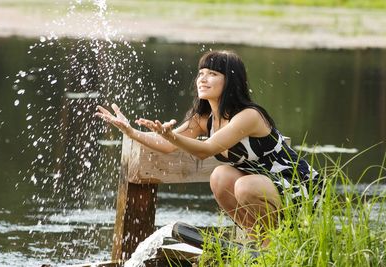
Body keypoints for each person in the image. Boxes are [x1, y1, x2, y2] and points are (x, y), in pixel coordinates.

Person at [96, 50, 321, 246]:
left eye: (212, 74)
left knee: (243, 185)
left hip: (299, 188)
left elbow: (206, 149)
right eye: (201, 73)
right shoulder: (204, 118)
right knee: (220, 176)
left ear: (231, 81)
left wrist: (171, 136)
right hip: (266, 187)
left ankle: (273, 243)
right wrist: (131, 132)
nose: (203, 79)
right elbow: (166, 144)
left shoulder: (249, 116)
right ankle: (257, 239)